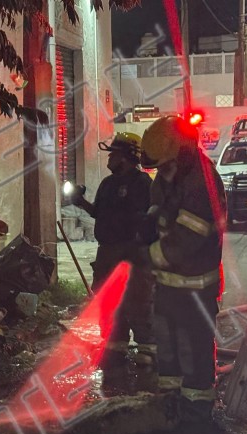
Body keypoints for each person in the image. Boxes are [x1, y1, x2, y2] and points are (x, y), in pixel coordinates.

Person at [134, 115, 227, 423]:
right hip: (168, 285)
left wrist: (148, 255)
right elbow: (158, 205)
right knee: (168, 347)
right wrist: (148, 222)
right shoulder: (169, 173)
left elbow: (189, 237)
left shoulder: (202, 182)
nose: (161, 174)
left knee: (195, 349)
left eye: (164, 167)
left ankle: (197, 409)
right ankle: (171, 402)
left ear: (182, 155)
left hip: (196, 287)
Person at [72, 132, 156, 387]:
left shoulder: (143, 183)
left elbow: (147, 219)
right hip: (107, 251)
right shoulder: (108, 184)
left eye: (114, 154)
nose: (109, 159)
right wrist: (79, 202)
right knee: (108, 301)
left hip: (133, 253)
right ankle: (115, 346)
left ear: (127, 157)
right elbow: (98, 212)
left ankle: (147, 350)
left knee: (137, 301)